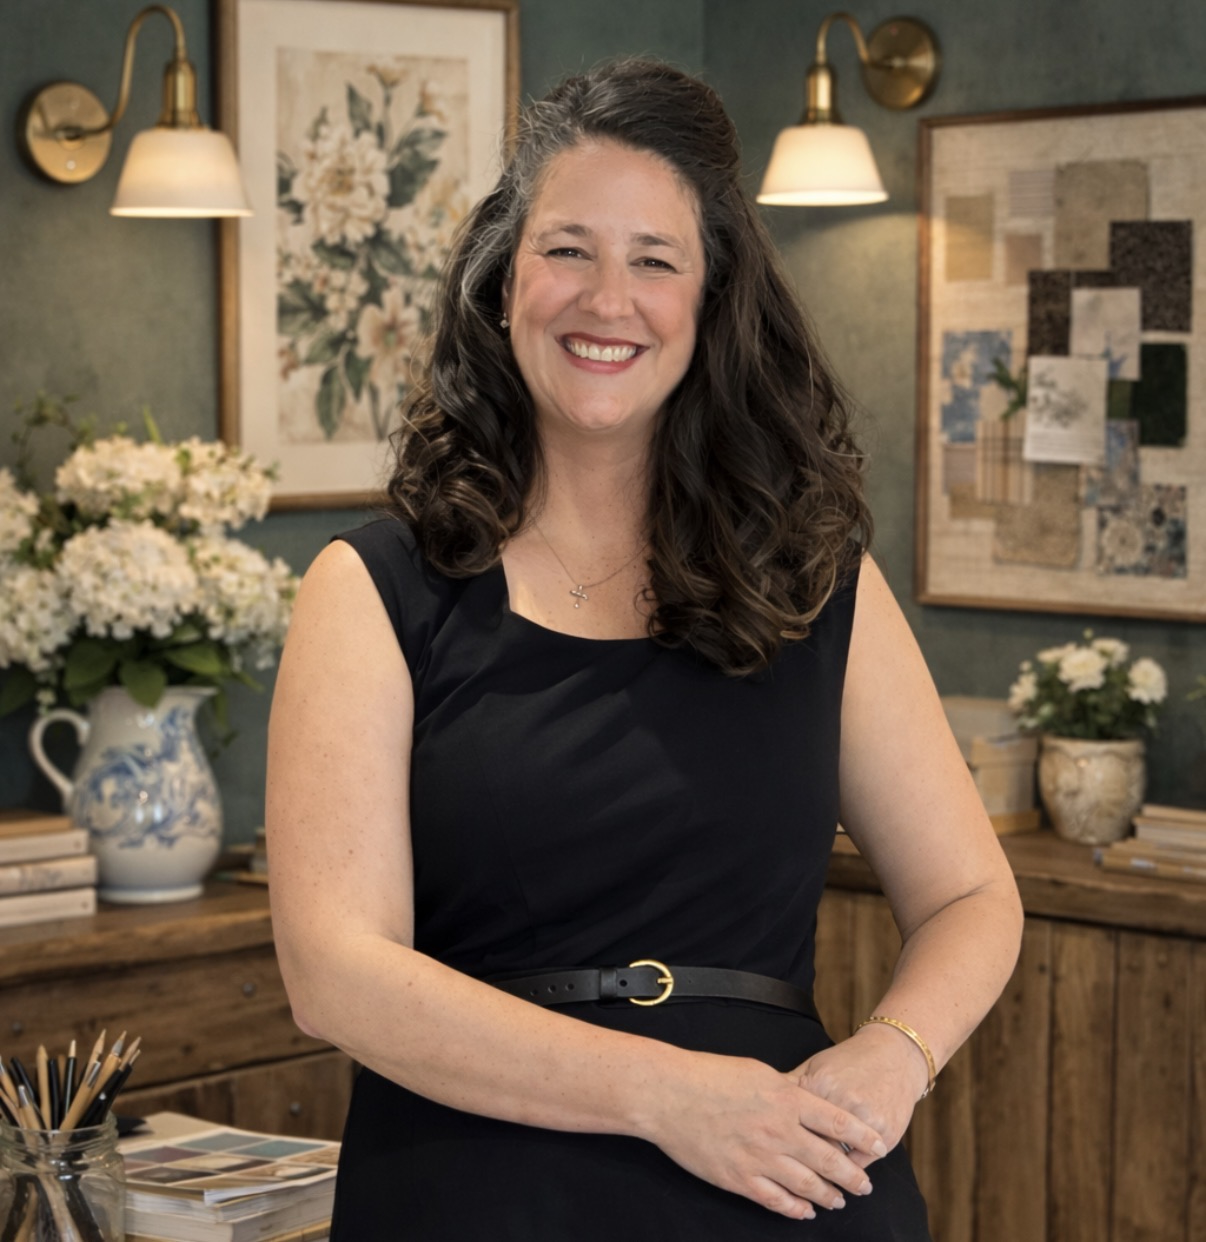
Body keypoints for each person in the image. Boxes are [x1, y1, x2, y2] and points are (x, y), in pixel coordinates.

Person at [266, 58, 1023, 1239]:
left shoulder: (817, 585)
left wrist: (892, 1059)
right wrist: (668, 1098)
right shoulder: (374, 591)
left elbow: (975, 894)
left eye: (654, 260)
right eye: (568, 249)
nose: (605, 299)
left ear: (712, 300)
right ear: (501, 282)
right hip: (479, 1189)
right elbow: (334, 977)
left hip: (791, 1186)